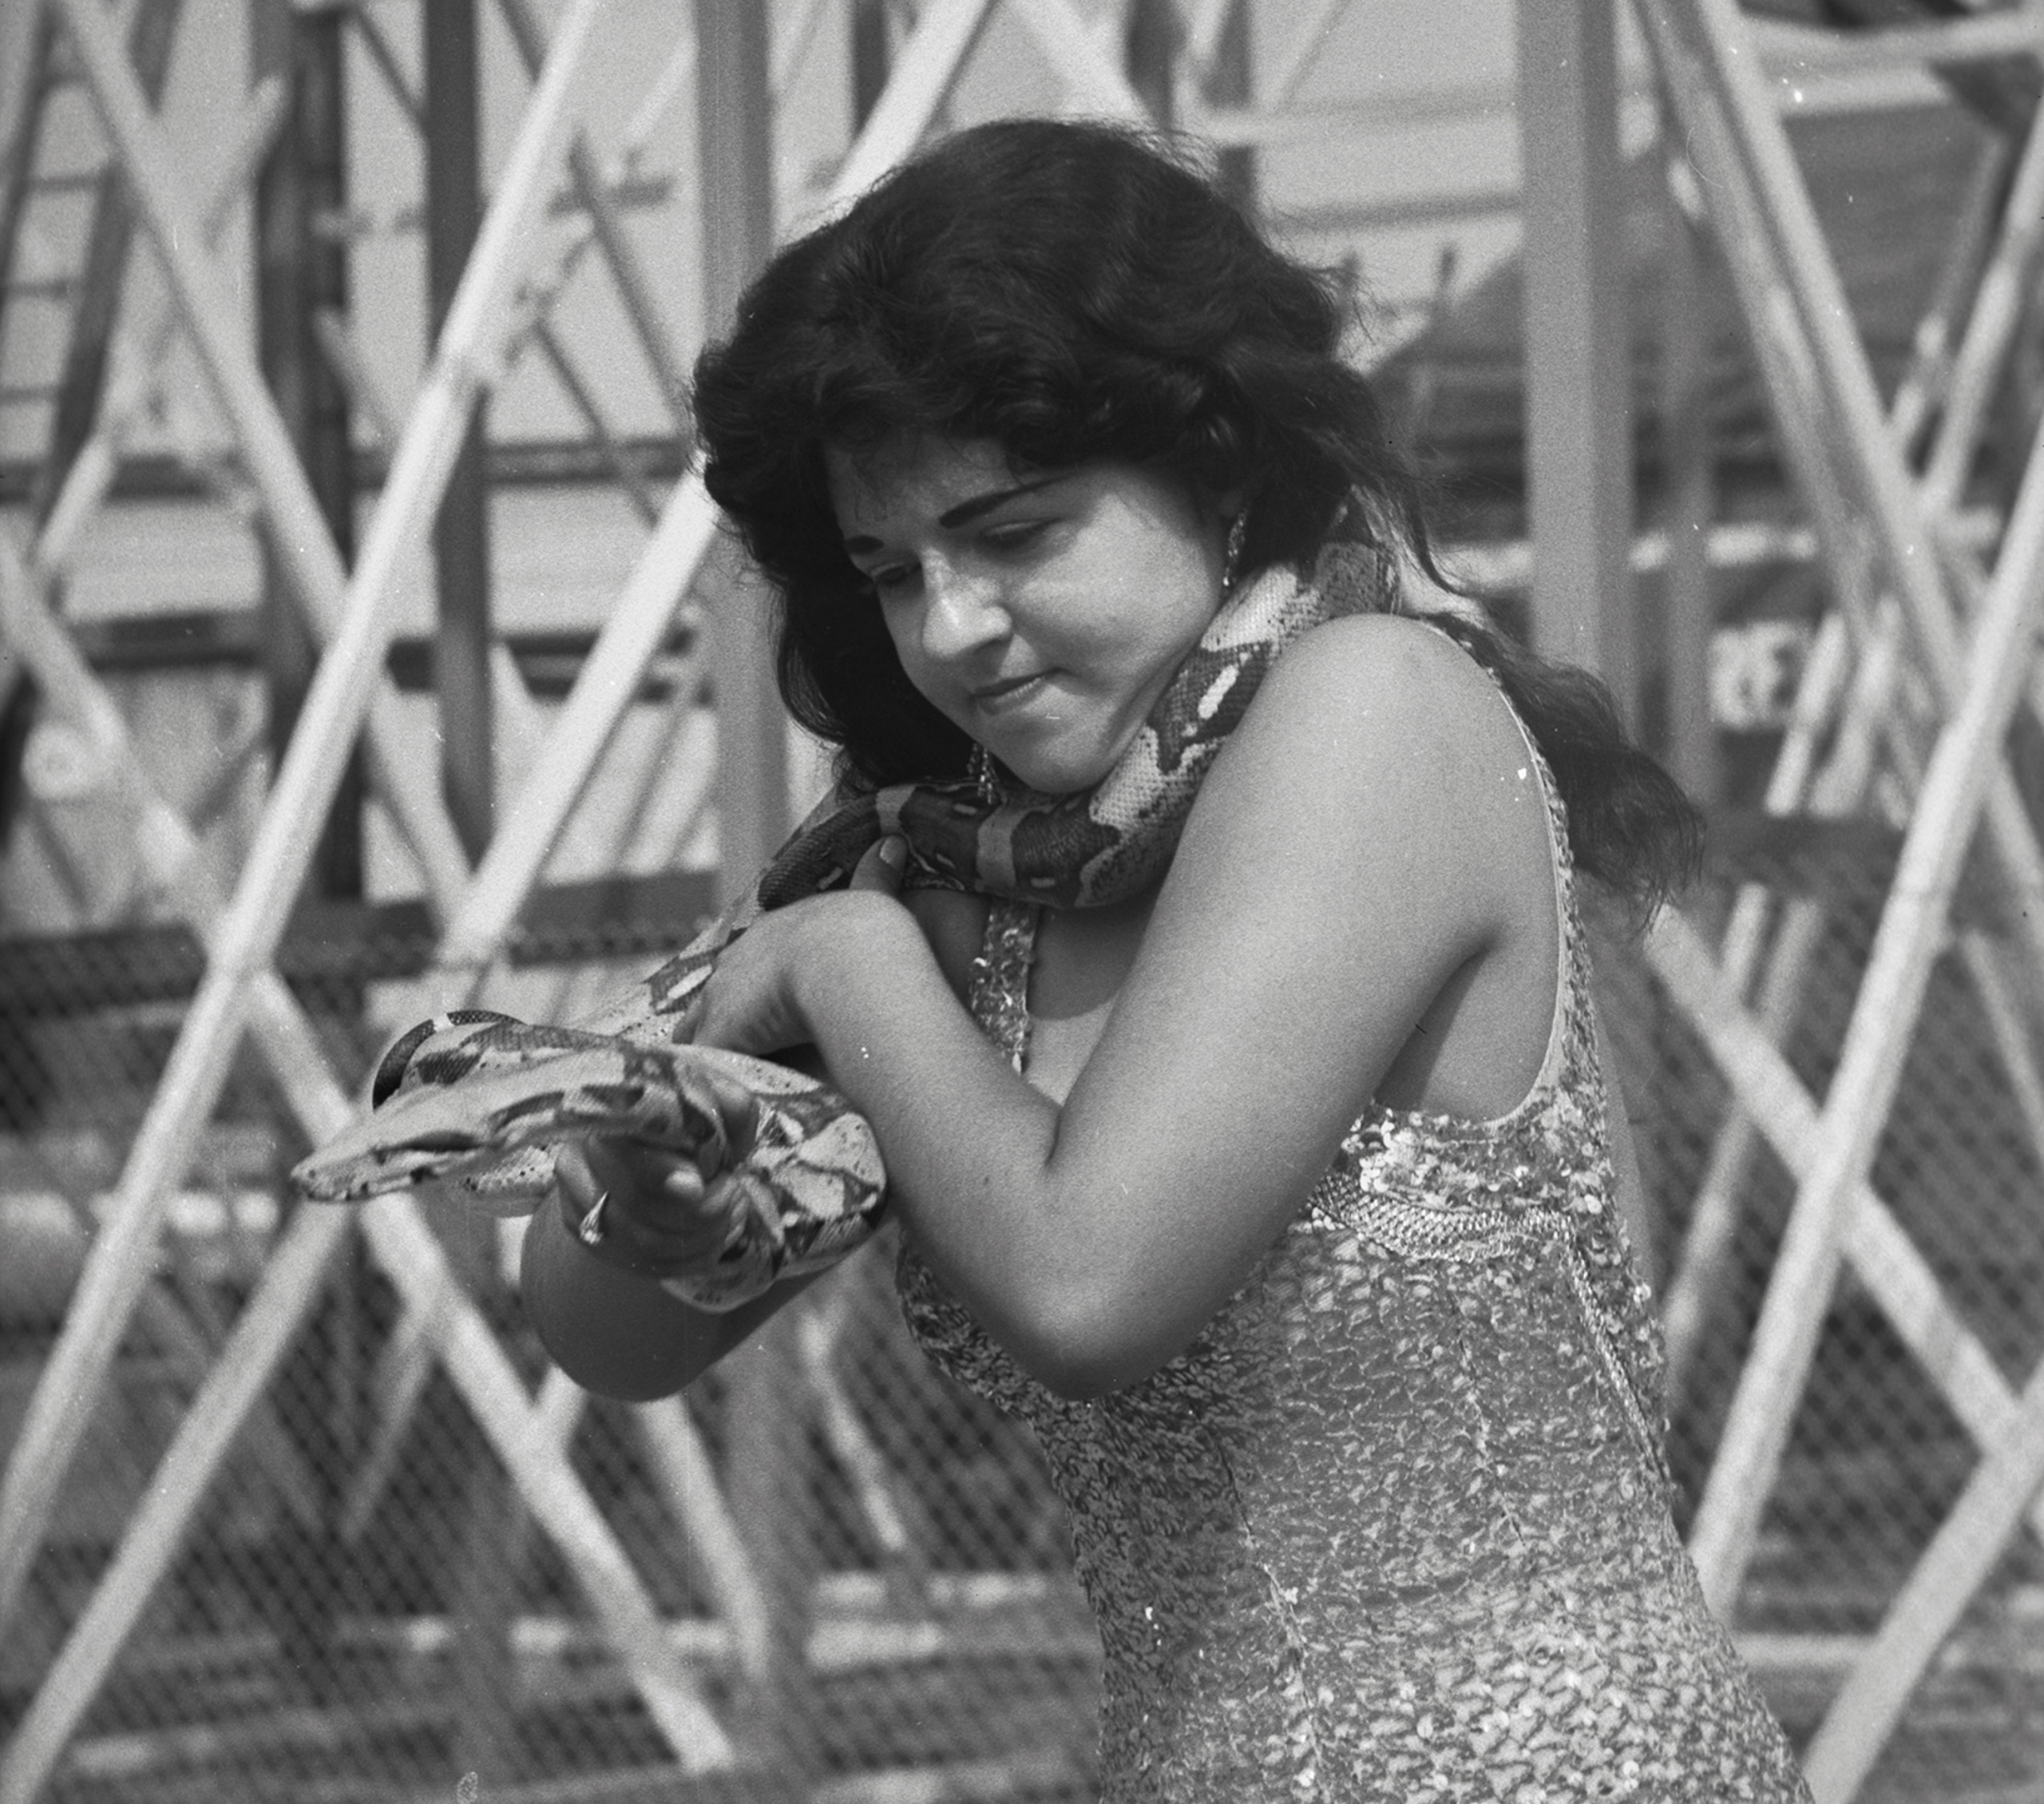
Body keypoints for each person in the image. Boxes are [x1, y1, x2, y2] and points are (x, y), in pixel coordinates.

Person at [521, 119, 1811, 1801]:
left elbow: (1085, 1279)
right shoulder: (942, 878)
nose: (953, 627)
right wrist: (645, 1176)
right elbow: (606, 1337)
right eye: (889, 569)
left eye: (1014, 530)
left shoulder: (1375, 710)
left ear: (1210, 470)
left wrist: (832, 961)